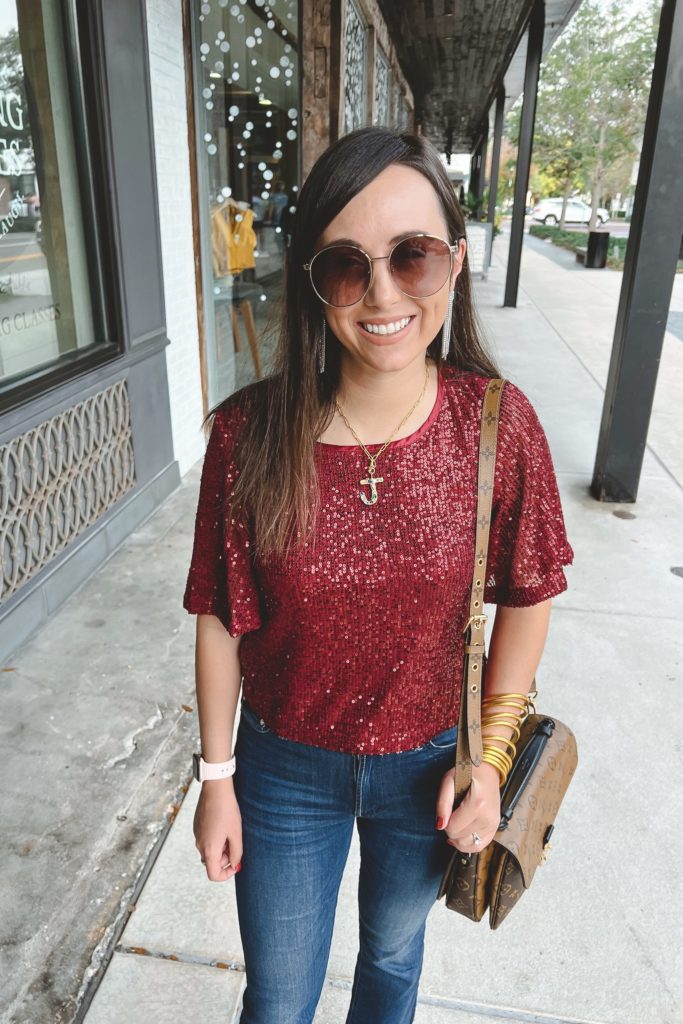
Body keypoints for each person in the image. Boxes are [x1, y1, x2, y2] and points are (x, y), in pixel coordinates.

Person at [183, 126, 573, 1024]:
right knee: (277, 999)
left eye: (414, 256)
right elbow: (217, 618)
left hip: (429, 769)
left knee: (393, 961)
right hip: (281, 770)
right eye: (347, 266)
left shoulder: (495, 425)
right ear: (313, 282)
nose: (384, 293)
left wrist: (490, 761)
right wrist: (215, 779)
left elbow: (530, 595)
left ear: (456, 262)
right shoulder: (249, 434)